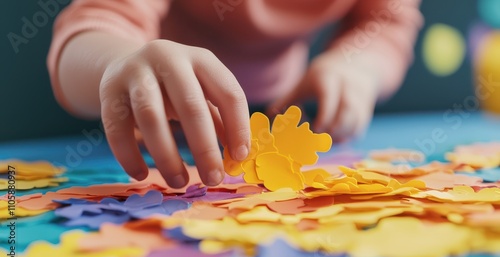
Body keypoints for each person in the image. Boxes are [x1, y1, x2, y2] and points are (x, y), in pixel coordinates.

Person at [47, 0, 423, 188]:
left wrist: (356, 64)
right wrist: (120, 63)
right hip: (150, 128)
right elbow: (93, 23)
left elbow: (386, 19)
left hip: (285, 122)